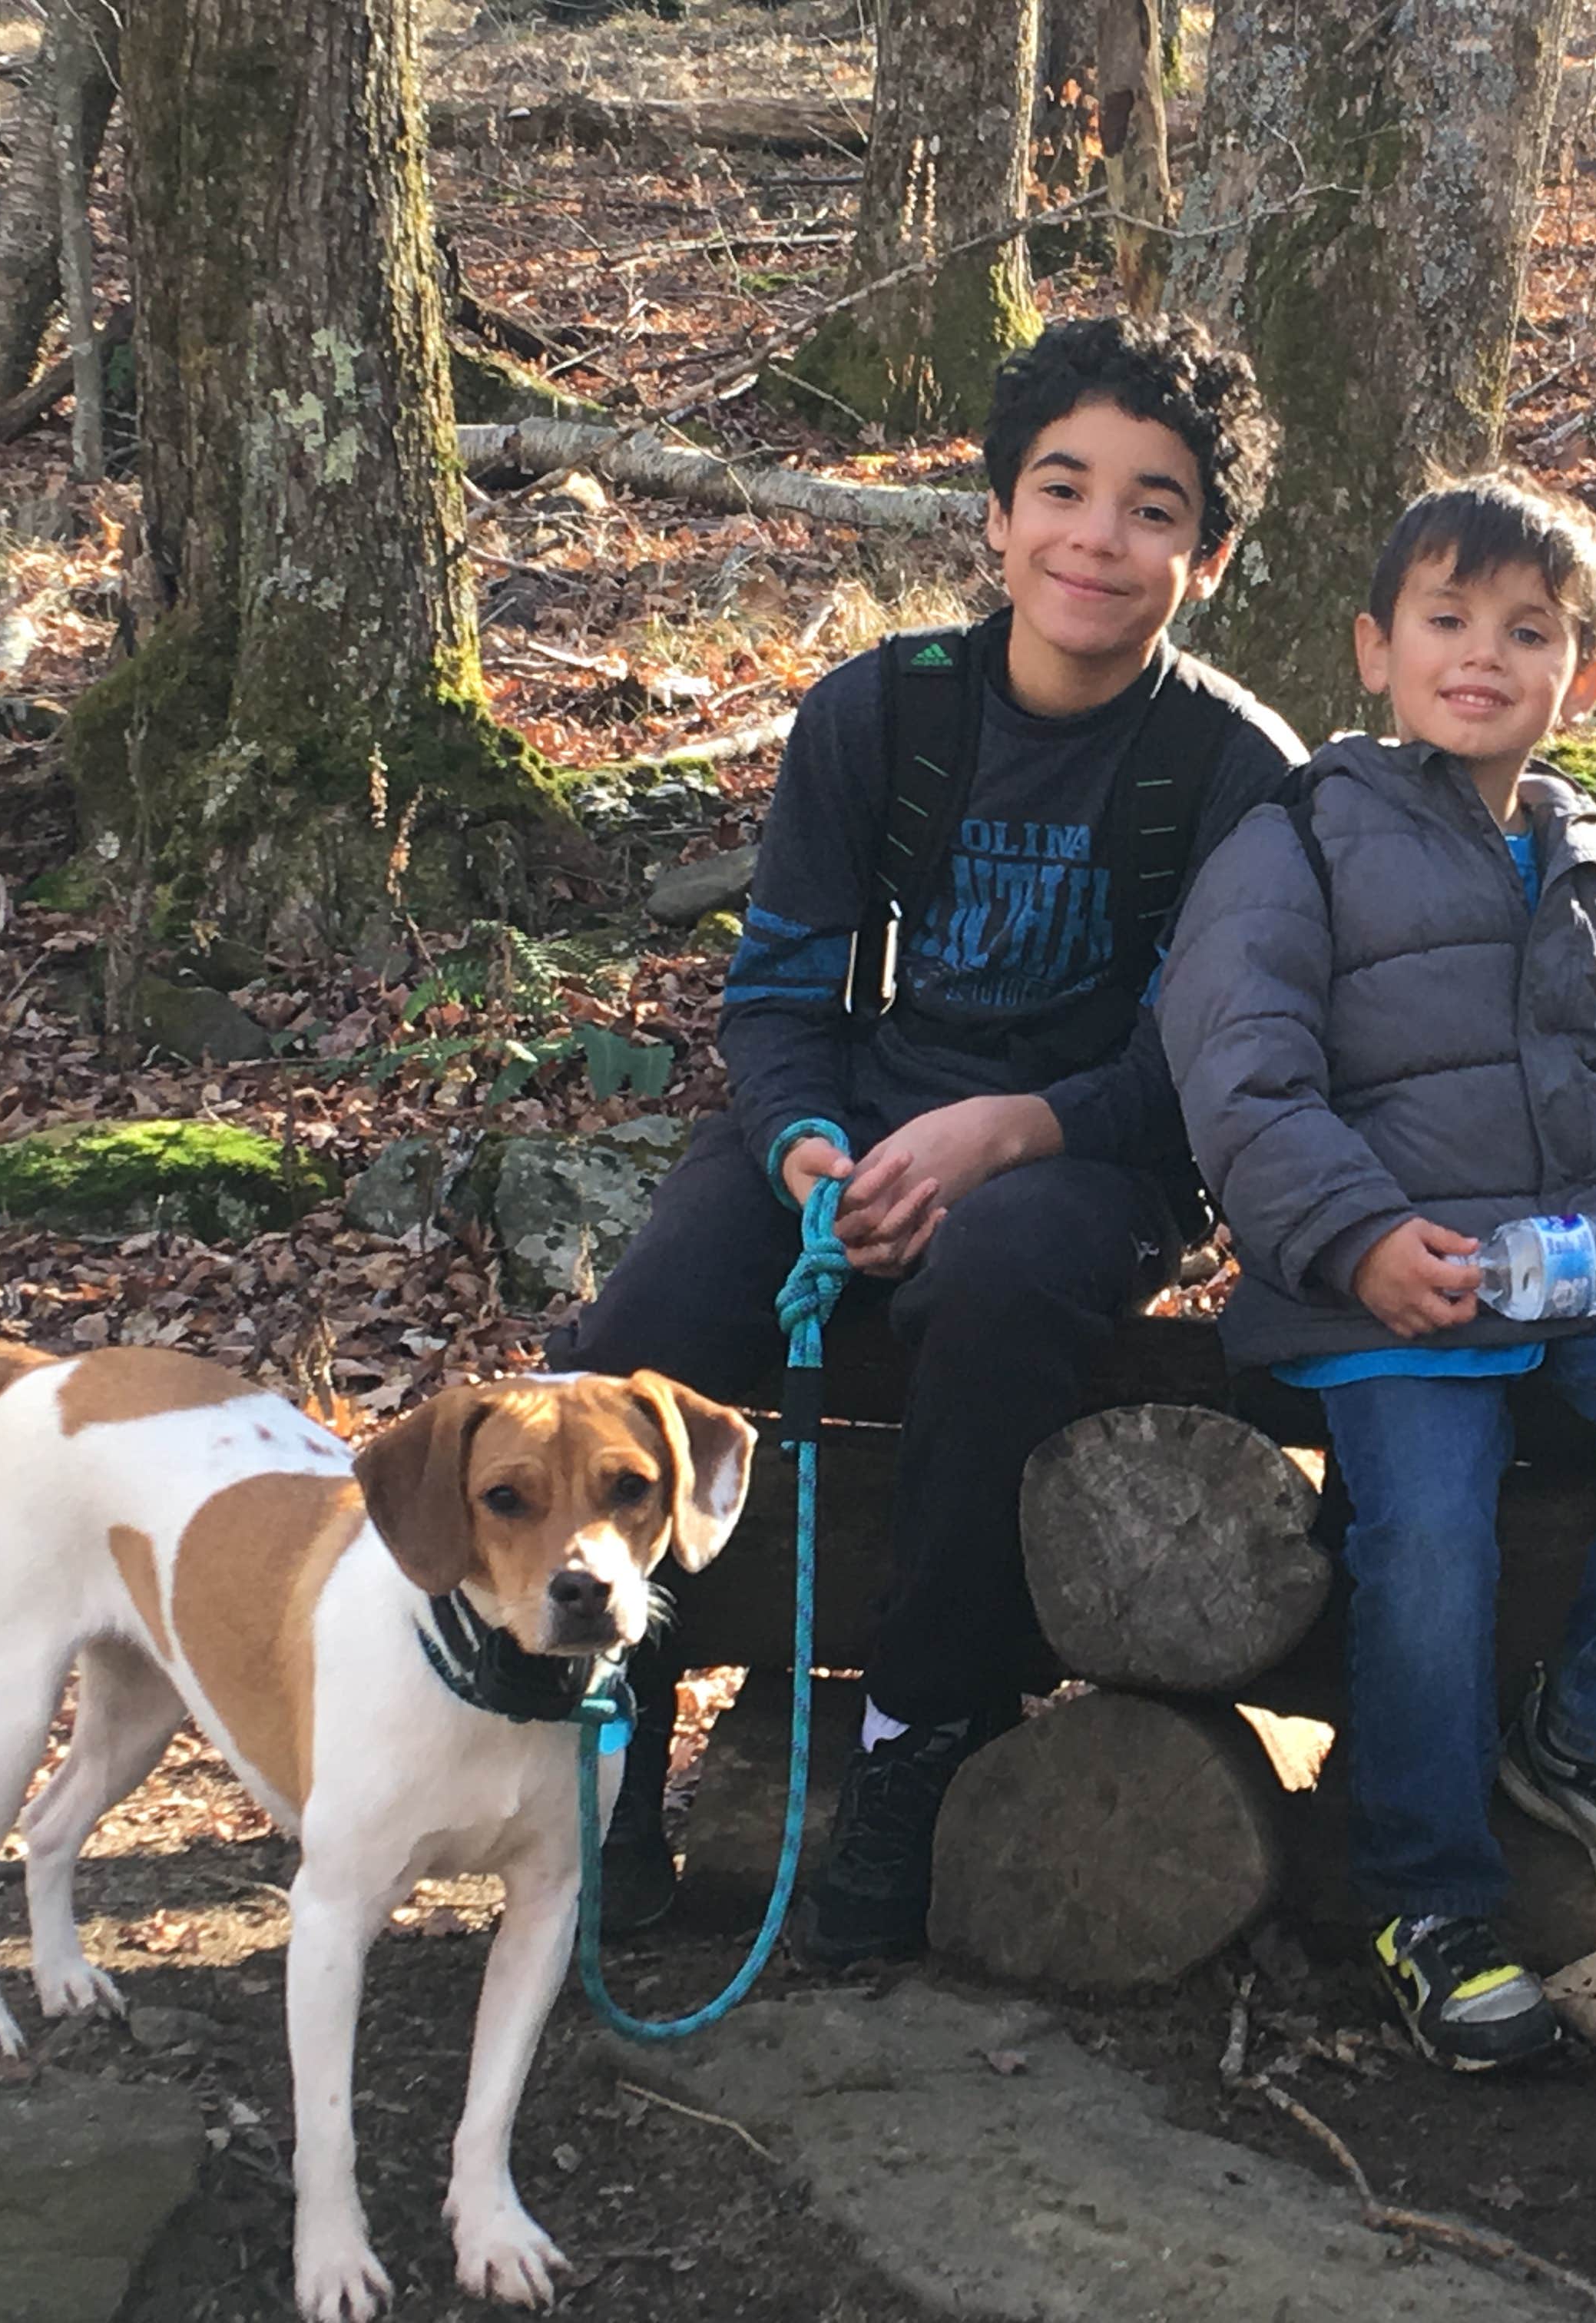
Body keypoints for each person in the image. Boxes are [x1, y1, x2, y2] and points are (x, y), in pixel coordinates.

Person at [549, 315, 1304, 1966]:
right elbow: (779, 993)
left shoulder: (1239, 773)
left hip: (1095, 1157)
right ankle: (606, 1746)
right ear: (995, 515)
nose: (1099, 539)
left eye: (1154, 508)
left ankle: (919, 1740)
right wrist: (812, 1146)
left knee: (1003, 1286)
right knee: (655, 1311)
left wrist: (1008, 1136)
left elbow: (1216, 1068)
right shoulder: (885, 715)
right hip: (866, 1122)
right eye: (1064, 489)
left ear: (1212, 555)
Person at [1157, 473, 1596, 2070]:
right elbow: (1238, 1068)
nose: (1483, 658)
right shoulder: (1298, 834)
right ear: (1375, 650)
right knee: (1431, 1530)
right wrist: (1360, 1238)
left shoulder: (1589, 848)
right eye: (1446, 622)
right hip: (1392, 1288)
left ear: (1583, 676)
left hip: (1589, 1263)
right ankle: (1425, 1895)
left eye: (1530, 633)